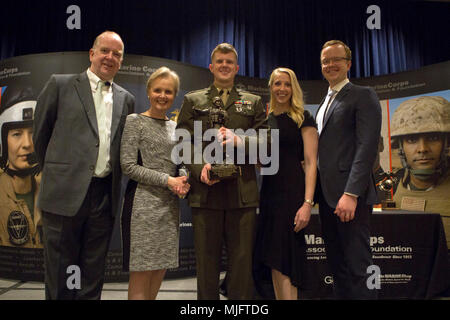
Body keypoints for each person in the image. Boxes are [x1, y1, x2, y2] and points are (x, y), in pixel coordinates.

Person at [33, 31, 135, 300]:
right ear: (92, 53)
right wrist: (61, 173)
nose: (110, 57)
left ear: (121, 61)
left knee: (92, 274)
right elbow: (40, 137)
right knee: (59, 274)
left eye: (117, 54)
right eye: (105, 51)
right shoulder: (60, 85)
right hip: (63, 194)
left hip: (104, 196)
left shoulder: (127, 99)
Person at [176, 43, 269, 300]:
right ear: (211, 66)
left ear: (237, 67)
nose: (224, 65)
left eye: (229, 61)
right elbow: (183, 141)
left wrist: (241, 140)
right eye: (220, 61)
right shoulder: (193, 100)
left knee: (241, 265)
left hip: (242, 195)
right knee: (206, 265)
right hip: (205, 192)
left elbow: (266, 144)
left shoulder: (254, 102)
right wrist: (199, 167)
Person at [316, 40, 381, 299]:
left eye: (336, 59)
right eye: (325, 61)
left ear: (348, 64)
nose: (330, 65)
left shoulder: (362, 95)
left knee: (358, 266)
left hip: (349, 197)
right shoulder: (324, 102)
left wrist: (351, 194)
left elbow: (367, 148)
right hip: (326, 196)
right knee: (338, 265)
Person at [120, 66, 190, 300]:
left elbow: (179, 163)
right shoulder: (135, 121)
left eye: (168, 92)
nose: (163, 96)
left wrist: (182, 178)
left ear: (175, 95)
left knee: (160, 268)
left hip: (169, 207)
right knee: (141, 272)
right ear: (149, 92)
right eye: (158, 90)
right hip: (142, 206)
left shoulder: (175, 127)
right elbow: (128, 166)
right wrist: (168, 180)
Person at [253, 67, 318, 300]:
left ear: (294, 88)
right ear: (270, 87)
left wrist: (307, 203)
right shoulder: (265, 120)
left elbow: (310, 162)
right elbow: (264, 162)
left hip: (293, 195)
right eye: (277, 84)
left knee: (288, 259)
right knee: (274, 258)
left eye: (287, 84)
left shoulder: (303, 117)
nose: (282, 89)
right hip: (269, 194)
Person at [391, 96, 450, 248]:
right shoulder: (389, 186)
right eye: (411, 140)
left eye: (433, 138)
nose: (423, 148)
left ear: (446, 144)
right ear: (401, 147)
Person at [0, 90, 42, 248]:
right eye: (17, 134)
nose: (27, 143)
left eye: (33, 133)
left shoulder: (53, 189)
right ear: (3, 141)